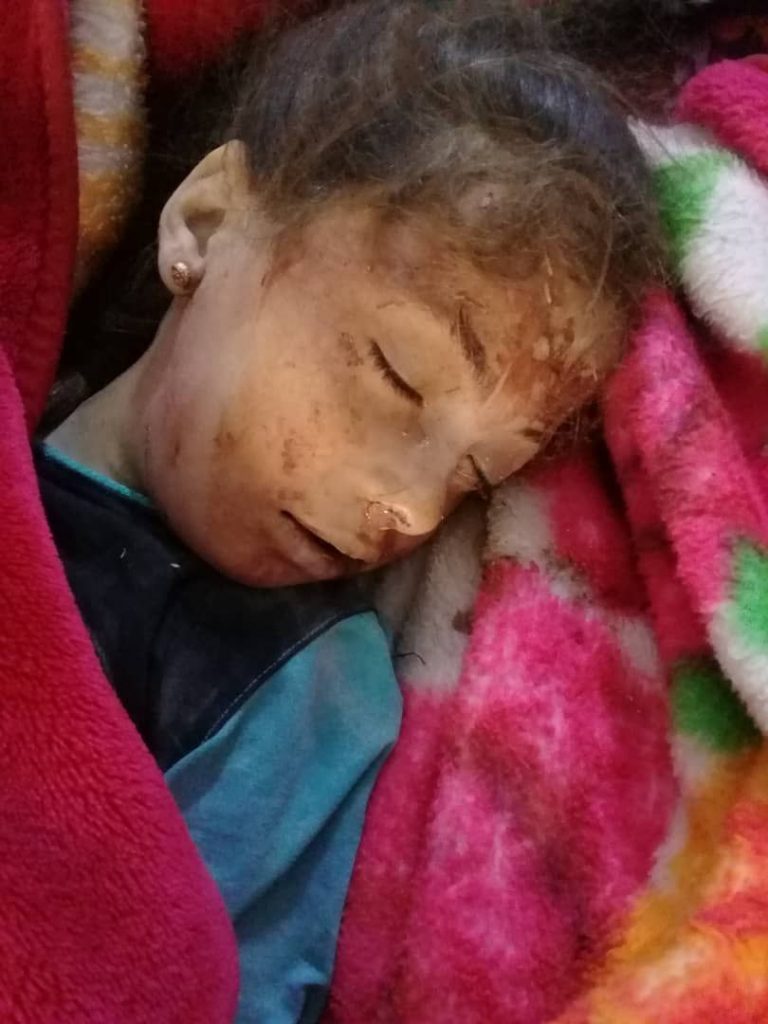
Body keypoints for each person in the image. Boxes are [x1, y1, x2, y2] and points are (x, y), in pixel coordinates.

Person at [36, 0, 663, 1020]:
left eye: (472, 477)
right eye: (397, 375)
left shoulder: (316, 697)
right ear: (206, 223)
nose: (407, 510)